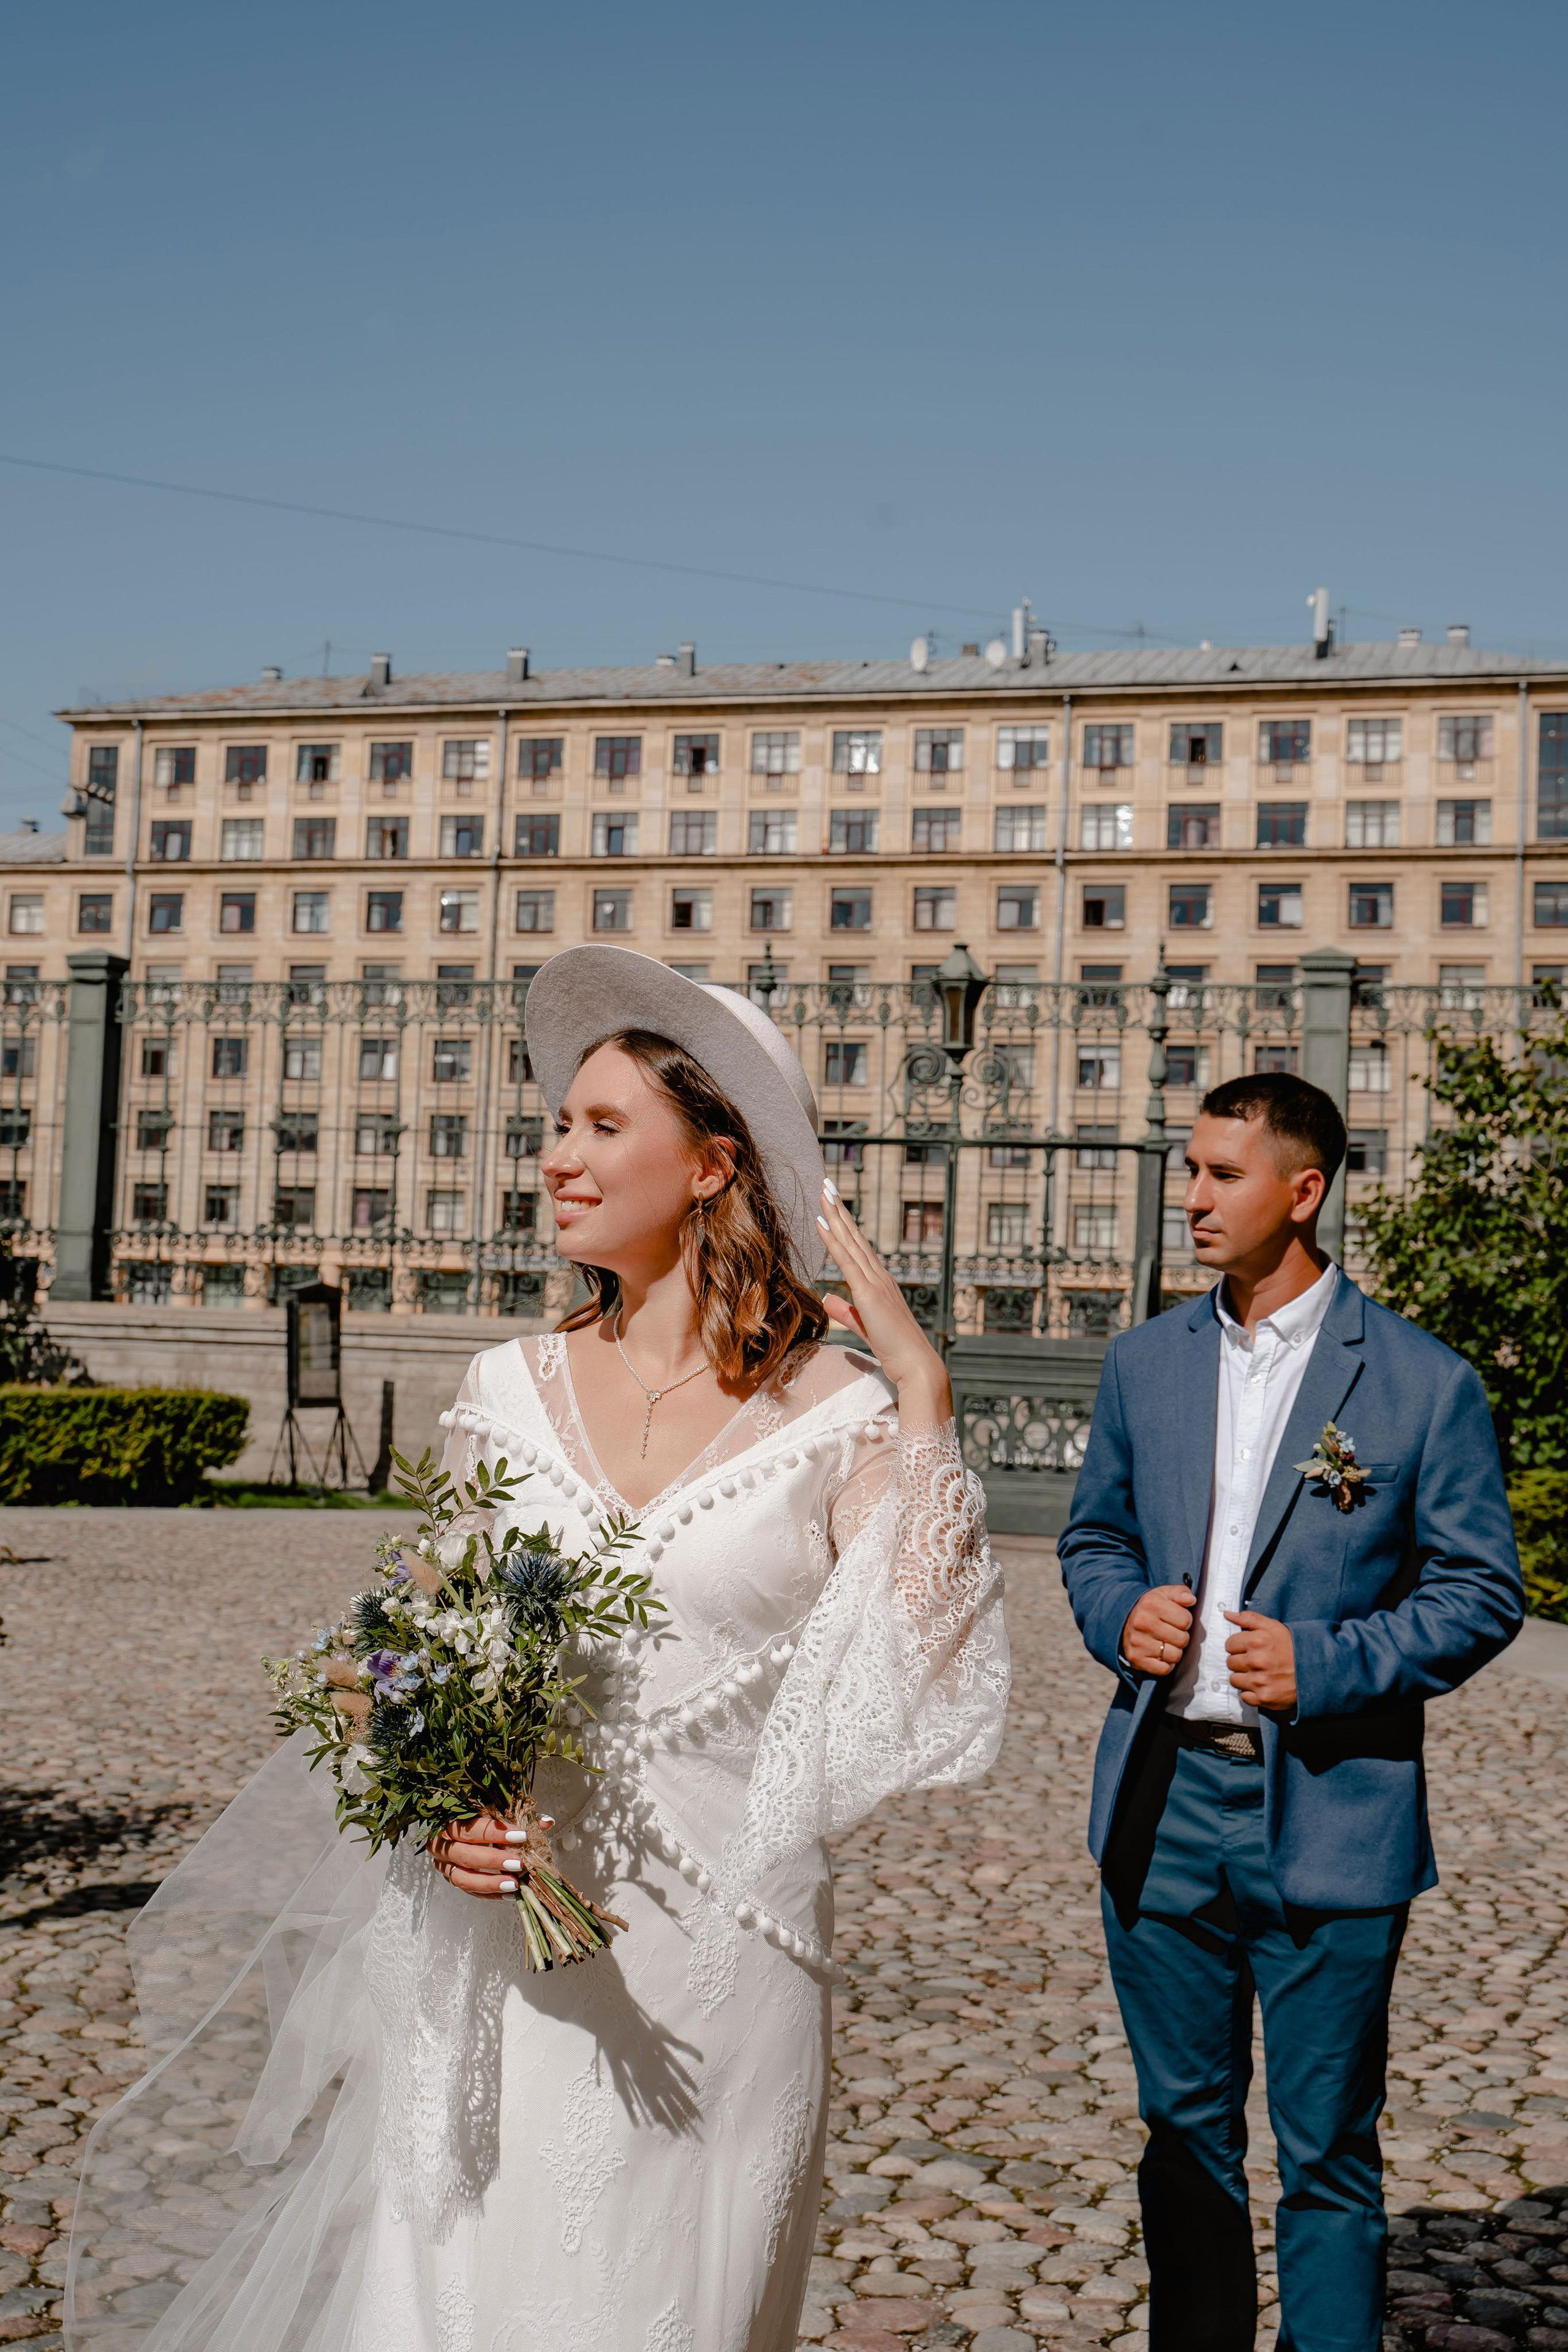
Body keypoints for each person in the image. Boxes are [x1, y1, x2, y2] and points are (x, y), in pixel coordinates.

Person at [65, 946, 1009, 2352]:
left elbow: (924, 1680)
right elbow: (392, 1660)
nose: (557, 1157)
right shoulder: (500, 1391)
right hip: (505, 1958)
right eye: (558, 1124)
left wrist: (922, 1397)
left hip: (727, 1970)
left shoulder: (837, 1411)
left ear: (710, 1167)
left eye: (602, 1126)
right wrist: (444, 1807)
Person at [1057, 1071, 1521, 2352]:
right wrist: (1119, 1615)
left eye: (1223, 1174)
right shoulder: (1143, 1362)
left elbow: (1481, 1593)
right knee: (1181, 2133)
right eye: (1189, 1170)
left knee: (1326, 2152)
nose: (1192, 1197)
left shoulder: (1422, 1383)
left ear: (1302, 1191)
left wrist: (1324, 1665)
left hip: (1330, 1815)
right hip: (1160, 1806)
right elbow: (1093, 1538)